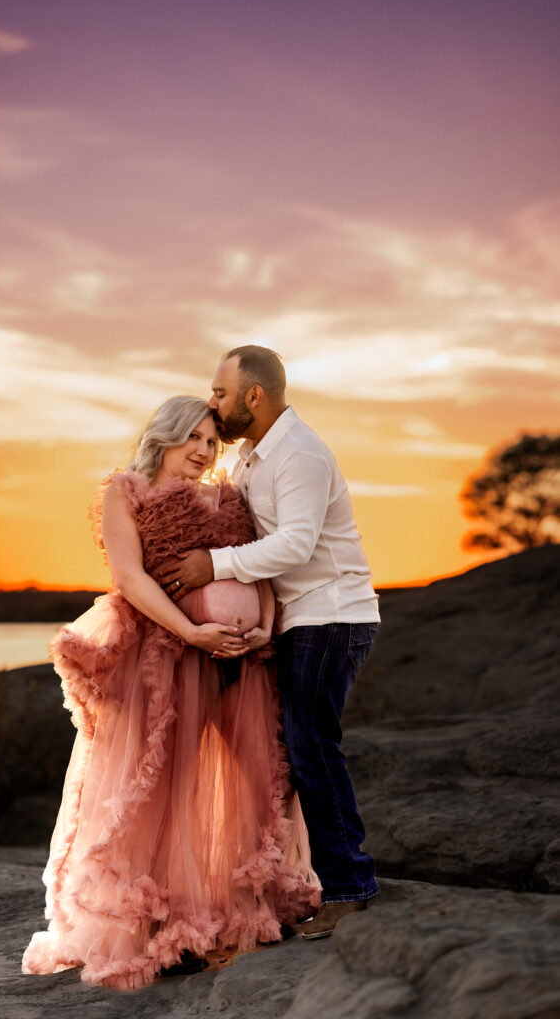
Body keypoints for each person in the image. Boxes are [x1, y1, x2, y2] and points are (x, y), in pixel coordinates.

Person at [22, 395, 320, 990]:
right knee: (161, 786)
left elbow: (251, 567)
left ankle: (245, 909)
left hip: (242, 656)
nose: (205, 450)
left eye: (213, 442)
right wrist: (190, 631)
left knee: (256, 781)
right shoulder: (126, 491)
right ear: (167, 435)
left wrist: (262, 623)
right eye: (195, 437)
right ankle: (156, 926)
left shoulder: (228, 496)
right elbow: (129, 577)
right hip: (167, 655)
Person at [160, 348, 380, 939]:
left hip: (331, 617)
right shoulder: (251, 460)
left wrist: (212, 565)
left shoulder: (299, 453)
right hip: (297, 619)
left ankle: (351, 886)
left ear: (254, 396)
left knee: (312, 747)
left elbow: (296, 546)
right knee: (297, 749)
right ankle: (318, 882)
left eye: (221, 393)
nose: (213, 403)